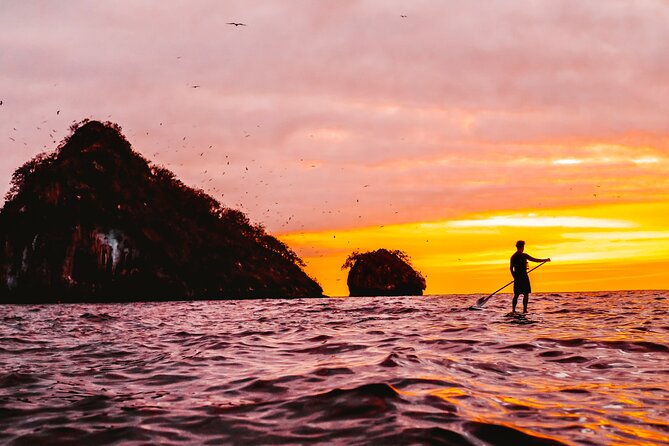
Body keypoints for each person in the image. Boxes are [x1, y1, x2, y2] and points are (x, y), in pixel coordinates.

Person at [510, 240, 550, 314]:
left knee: (516, 294)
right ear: (522, 247)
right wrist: (545, 260)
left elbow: (511, 269)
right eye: (523, 246)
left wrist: (514, 277)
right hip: (524, 277)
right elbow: (535, 260)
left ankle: (513, 310)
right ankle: (525, 310)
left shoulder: (513, 256)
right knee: (526, 294)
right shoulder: (524, 255)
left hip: (517, 277)